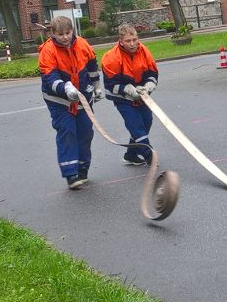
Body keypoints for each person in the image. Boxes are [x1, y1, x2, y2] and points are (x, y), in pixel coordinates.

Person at [39, 16, 101, 189]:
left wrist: (96, 86)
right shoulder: (48, 51)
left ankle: (82, 169)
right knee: (67, 132)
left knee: (85, 132)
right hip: (59, 101)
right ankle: (71, 174)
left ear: (73, 31)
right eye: (60, 34)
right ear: (53, 34)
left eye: (68, 33)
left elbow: (92, 65)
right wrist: (65, 89)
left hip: (82, 98)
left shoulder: (82, 44)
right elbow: (50, 78)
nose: (65, 37)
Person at [100, 24, 159, 165]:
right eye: (128, 41)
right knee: (135, 125)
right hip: (123, 99)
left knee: (146, 121)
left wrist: (149, 86)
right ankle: (149, 154)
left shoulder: (144, 51)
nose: (132, 44)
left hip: (142, 95)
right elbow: (109, 86)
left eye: (134, 39)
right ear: (120, 41)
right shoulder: (111, 58)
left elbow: (152, 73)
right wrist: (128, 90)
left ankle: (131, 154)